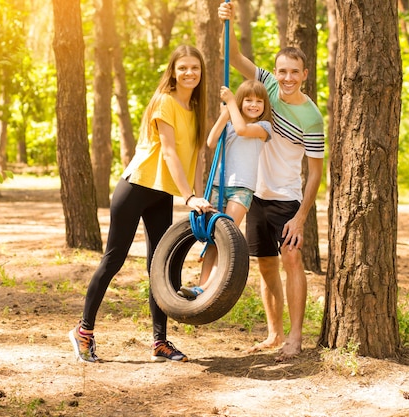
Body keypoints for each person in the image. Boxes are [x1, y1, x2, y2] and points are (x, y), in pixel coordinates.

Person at [68, 44, 214, 363]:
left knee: (158, 267)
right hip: (137, 187)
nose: (190, 73)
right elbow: (169, 153)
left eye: (195, 68)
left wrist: (198, 195)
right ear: (173, 71)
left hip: (162, 192)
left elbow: (197, 158)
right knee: (113, 260)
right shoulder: (164, 102)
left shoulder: (197, 108)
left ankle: (160, 343)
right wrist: (188, 195)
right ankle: (83, 332)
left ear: (202, 74)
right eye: (184, 67)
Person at [219, 1, 325, 361]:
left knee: (291, 260)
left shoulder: (312, 118)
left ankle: (295, 338)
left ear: (304, 74)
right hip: (254, 194)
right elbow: (233, 58)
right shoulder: (265, 84)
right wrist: (228, 22)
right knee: (265, 266)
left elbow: (315, 173)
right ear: (275, 71)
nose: (287, 78)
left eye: (294, 72)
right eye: (282, 71)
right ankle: (274, 333)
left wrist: (301, 216)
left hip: (286, 199)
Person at [178, 80, 272, 299]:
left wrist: (231, 103)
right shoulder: (230, 123)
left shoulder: (264, 128)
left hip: (242, 188)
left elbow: (242, 129)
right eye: (248, 100)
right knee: (213, 238)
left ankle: (209, 288)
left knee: (226, 236)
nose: (253, 105)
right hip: (220, 186)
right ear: (241, 102)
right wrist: (225, 113)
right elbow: (211, 142)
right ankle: (200, 290)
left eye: (259, 101)